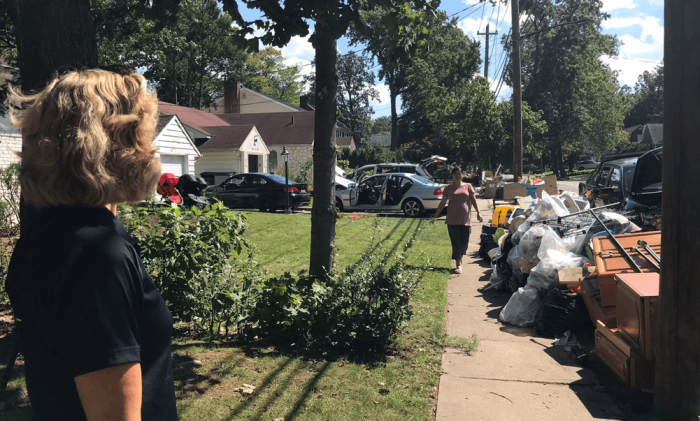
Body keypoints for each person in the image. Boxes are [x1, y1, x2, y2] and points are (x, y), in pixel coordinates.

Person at [5, 69, 177, 420]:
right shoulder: (97, 255)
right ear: (117, 146)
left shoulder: (46, 236)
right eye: (142, 135)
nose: (152, 147)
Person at [431, 167, 483, 274]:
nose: (457, 176)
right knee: (456, 243)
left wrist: (478, 212)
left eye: (459, 174)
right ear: (452, 176)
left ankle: (460, 257)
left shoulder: (468, 186)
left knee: (464, 243)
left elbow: (473, 200)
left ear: (462, 175)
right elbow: (442, 203)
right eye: (455, 174)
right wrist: (435, 216)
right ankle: (458, 265)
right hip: (452, 220)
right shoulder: (448, 188)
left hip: (466, 220)